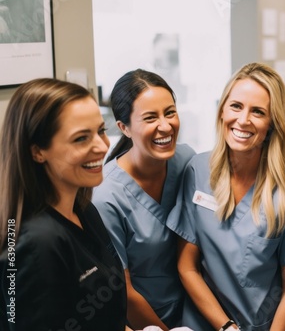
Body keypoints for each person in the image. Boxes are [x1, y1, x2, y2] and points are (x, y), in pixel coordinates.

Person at [167, 62, 285, 330]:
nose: (243, 120)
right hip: (204, 323)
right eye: (236, 106)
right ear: (223, 109)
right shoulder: (198, 171)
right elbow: (187, 266)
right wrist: (226, 327)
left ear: (272, 123)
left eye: (258, 112)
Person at [0, 78, 129, 330]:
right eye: (81, 138)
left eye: (101, 131)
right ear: (37, 151)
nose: (102, 146)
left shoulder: (84, 210)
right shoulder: (35, 244)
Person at [92, 69, 195, 330]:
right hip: (144, 321)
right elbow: (122, 291)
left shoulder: (186, 161)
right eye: (150, 118)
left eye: (170, 112)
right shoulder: (105, 196)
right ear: (124, 128)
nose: (165, 125)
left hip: (195, 310)